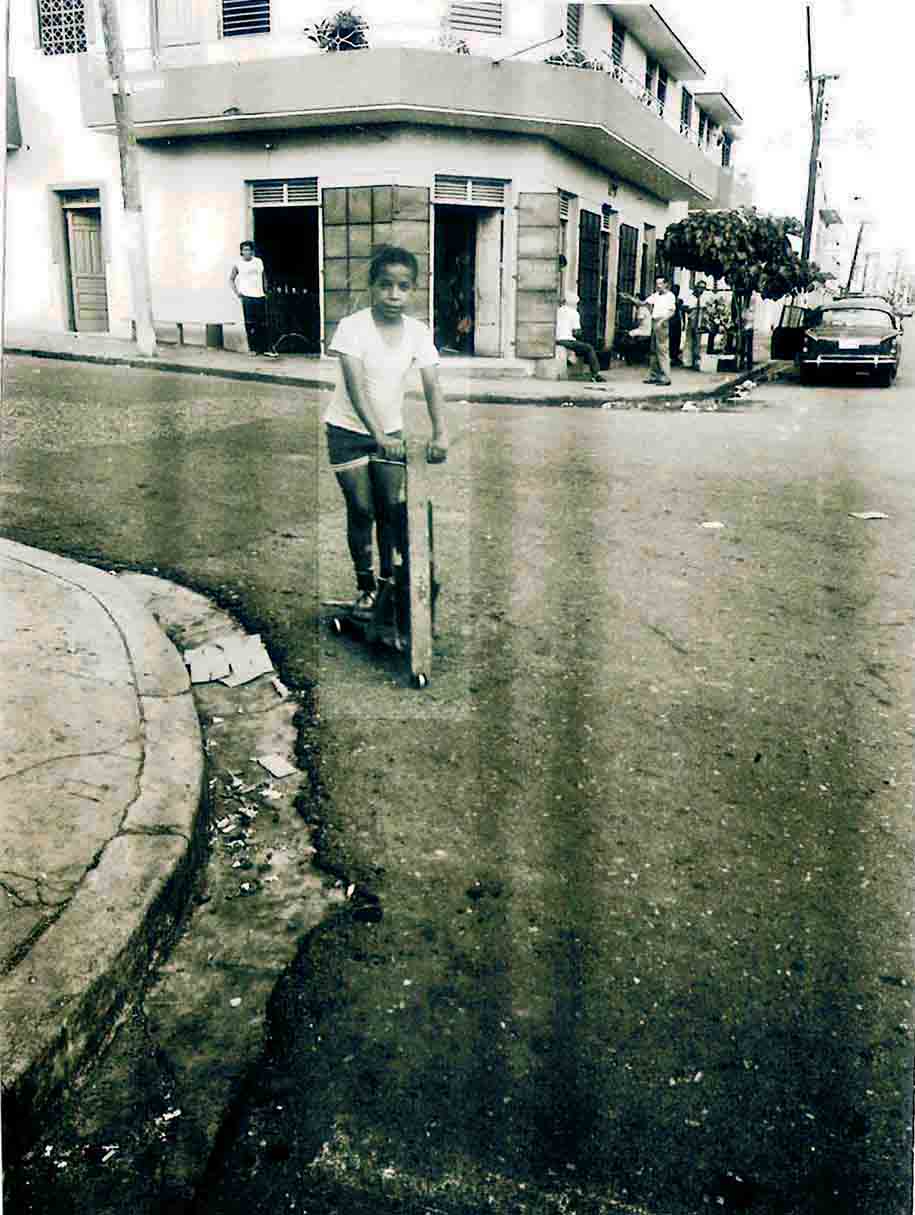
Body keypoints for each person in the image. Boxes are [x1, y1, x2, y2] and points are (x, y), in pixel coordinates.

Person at [323, 245, 449, 620]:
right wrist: (377, 435)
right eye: (385, 285)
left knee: (390, 513)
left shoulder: (417, 332)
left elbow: (432, 385)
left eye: (403, 287)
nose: (394, 295)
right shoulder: (353, 327)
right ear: (372, 287)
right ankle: (364, 588)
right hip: (348, 431)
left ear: (413, 290)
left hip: (390, 432)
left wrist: (440, 433)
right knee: (361, 510)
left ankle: (387, 587)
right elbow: (357, 388)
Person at [622, 276, 676, 385]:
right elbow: (642, 303)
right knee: (653, 350)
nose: (658, 286)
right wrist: (629, 298)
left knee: (662, 350)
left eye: (660, 284)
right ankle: (654, 375)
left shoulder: (670, 296)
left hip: (662, 322)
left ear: (666, 284)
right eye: (657, 284)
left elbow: (671, 312)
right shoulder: (656, 295)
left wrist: (662, 321)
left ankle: (666, 377)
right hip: (654, 321)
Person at [229, 240, 278, 359]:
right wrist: (237, 293)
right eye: (244, 250)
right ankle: (253, 348)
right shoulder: (238, 264)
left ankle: (266, 349)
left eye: (249, 250)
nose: (247, 252)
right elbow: (231, 279)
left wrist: (265, 291)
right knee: (250, 323)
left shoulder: (258, 262)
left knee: (263, 323)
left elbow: (263, 276)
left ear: (252, 251)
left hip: (259, 295)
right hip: (247, 296)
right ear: (241, 251)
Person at [555, 291, 607, 382]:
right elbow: (577, 332)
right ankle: (595, 374)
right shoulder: (574, 313)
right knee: (589, 348)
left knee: (577, 345)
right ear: (574, 303)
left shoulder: (559, 310)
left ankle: (571, 358)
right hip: (567, 340)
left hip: (557, 339)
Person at [683, 279, 708, 370]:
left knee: (698, 342)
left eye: (703, 288)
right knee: (689, 341)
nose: (701, 290)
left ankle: (696, 361)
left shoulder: (703, 298)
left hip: (699, 322)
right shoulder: (690, 297)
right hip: (692, 321)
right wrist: (691, 310)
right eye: (700, 288)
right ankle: (687, 361)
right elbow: (684, 308)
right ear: (696, 288)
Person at [740, 293, 756, 371]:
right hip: (746, 327)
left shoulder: (750, 307)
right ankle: (744, 362)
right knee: (744, 346)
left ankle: (748, 363)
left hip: (748, 328)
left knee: (748, 346)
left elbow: (749, 317)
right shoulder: (744, 307)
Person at [669, 283, 683, 366]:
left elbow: (681, 312)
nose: (676, 292)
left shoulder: (679, 300)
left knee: (677, 339)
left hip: (677, 321)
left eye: (677, 290)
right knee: (671, 339)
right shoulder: (669, 300)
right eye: (674, 290)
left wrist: (683, 322)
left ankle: (675, 356)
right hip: (671, 321)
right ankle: (671, 356)